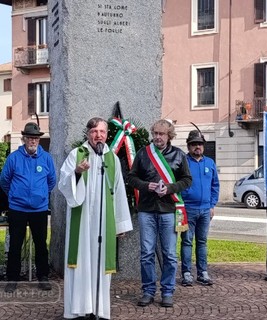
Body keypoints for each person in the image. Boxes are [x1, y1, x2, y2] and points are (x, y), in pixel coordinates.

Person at [59, 117, 133, 320]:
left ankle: (98, 309)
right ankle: (77, 310)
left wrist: (120, 223)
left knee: (100, 263)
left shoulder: (111, 159)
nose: (98, 135)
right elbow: (62, 183)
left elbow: (118, 191)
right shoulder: (76, 154)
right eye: (94, 132)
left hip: (103, 223)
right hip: (81, 221)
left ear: (107, 134)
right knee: (81, 262)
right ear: (88, 134)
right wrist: (76, 172)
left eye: (101, 132)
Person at [127, 119, 192, 308]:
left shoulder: (179, 155)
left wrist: (171, 188)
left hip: (169, 211)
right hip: (146, 209)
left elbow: (187, 180)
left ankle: (167, 291)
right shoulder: (143, 153)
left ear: (169, 135)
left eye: (161, 134)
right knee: (146, 253)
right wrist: (147, 186)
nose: (157, 137)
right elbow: (131, 177)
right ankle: (148, 290)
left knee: (170, 254)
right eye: (155, 133)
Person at [0, 122, 56, 293]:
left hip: (39, 209)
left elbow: (52, 181)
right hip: (17, 208)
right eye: (30, 138)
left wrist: (40, 195)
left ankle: (43, 276)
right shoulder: (13, 158)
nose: (33, 141)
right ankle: (12, 278)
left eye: (36, 138)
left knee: (41, 245)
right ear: (24, 139)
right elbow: (4, 180)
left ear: (39, 140)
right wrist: (15, 195)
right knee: (15, 245)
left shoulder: (46, 158)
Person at [180, 129, 219, 287]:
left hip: (205, 210)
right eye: (194, 144)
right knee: (187, 241)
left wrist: (212, 204)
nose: (197, 147)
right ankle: (186, 273)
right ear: (188, 147)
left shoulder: (210, 163)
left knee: (202, 241)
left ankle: (203, 272)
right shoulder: (184, 162)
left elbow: (215, 185)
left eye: (200, 144)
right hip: (187, 209)